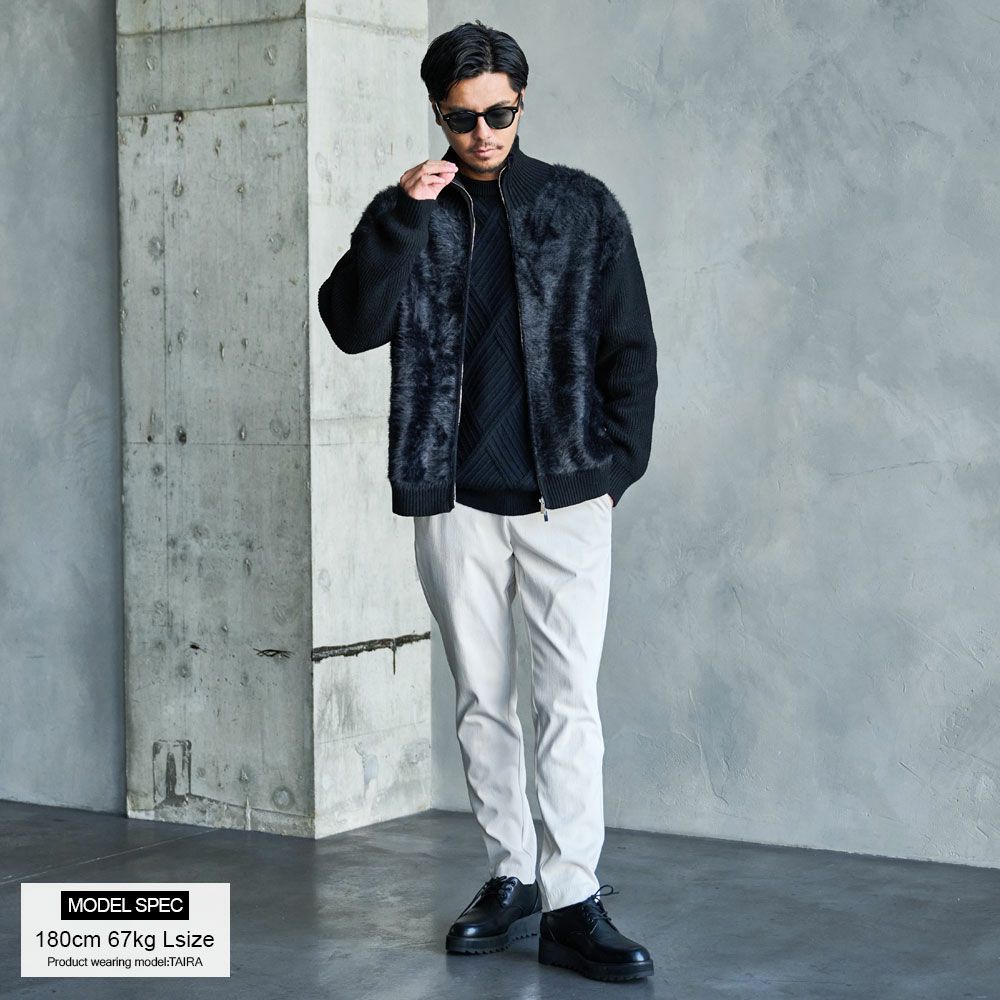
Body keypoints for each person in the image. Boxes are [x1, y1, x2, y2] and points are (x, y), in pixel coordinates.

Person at [318, 19, 657, 984]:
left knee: (568, 703)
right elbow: (350, 324)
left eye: (499, 114)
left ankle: (573, 897)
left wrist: (611, 473)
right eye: (463, 118)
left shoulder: (581, 208)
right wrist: (400, 215)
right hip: (453, 499)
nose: (483, 135)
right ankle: (511, 874)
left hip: (565, 501)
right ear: (439, 113)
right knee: (482, 700)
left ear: (521, 103)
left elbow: (631, 348)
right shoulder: (412, 210)